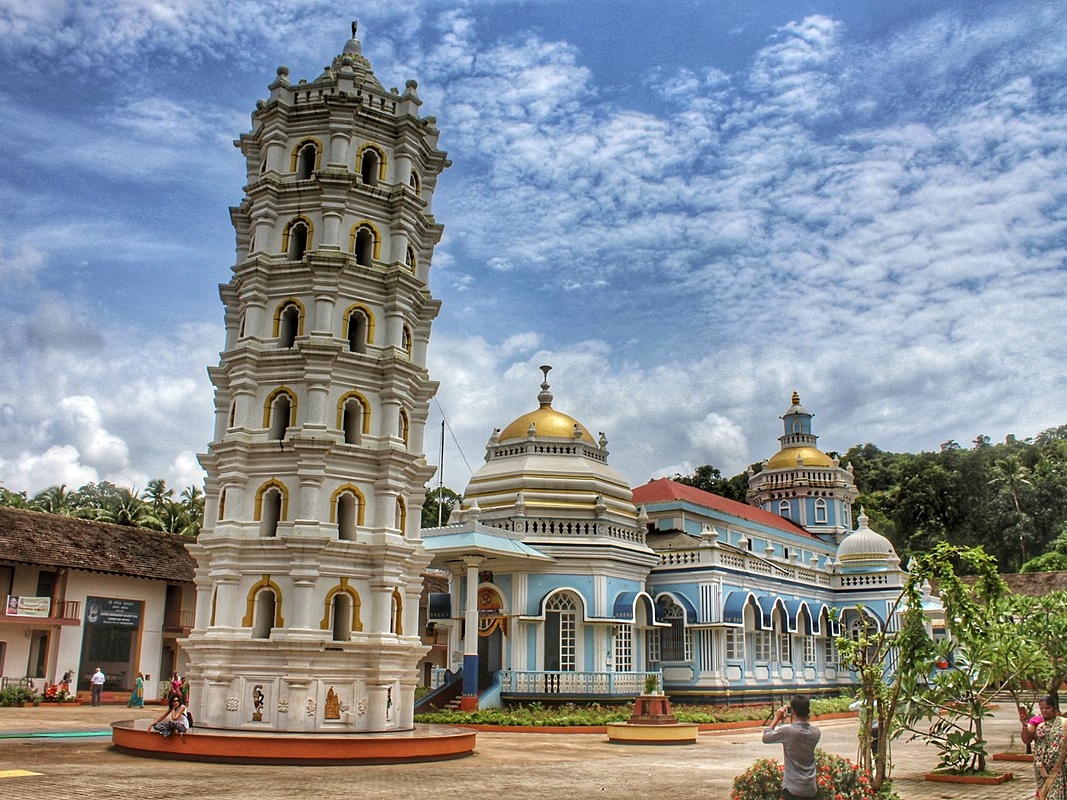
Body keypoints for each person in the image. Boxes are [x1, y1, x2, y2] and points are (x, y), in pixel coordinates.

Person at [762, 696, 822, 800]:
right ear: (808, 711)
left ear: (792, 711)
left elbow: (766, 737)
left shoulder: (787, 731)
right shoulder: (816, 732)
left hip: (793, 787)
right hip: (810, 787)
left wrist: (776, 718)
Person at [1020, 695, 1066, 800]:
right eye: (1042, 708)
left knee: (1056, 795)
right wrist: (1024, 725)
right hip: (1042, 770)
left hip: (1059, 769)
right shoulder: (1037, 723)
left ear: (1054, 707)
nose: (1044, 711)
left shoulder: (1063, 723)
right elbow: (1026, 739)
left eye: (1047, 708)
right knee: (1044, 794)